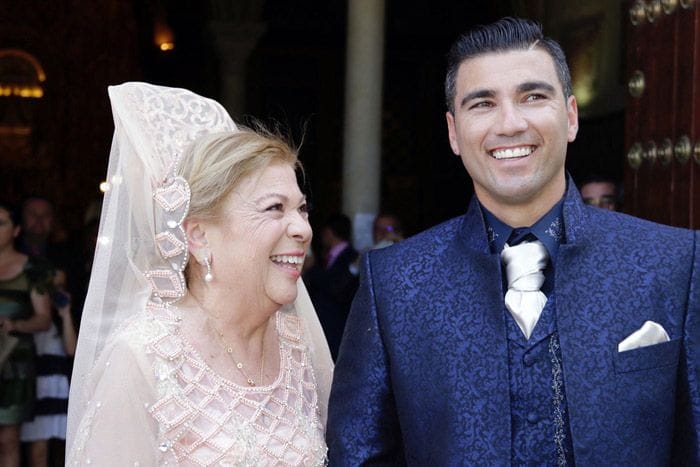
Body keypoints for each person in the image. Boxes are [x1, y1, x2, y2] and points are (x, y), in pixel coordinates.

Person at [327, 17, 699, 465]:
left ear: (572, 116)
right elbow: (360, 456)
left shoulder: (673, 262)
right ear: (453, 133)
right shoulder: (393, 283)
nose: (509, 123)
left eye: (533, 96)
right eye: (482, 104)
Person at [65, 83, 332, 465]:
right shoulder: (144, 358)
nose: (303, 229)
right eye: (275, 208)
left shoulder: (298, 346)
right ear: (200, 236)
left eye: (302, 209)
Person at [0, 202, 52, 467]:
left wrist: (15, 325)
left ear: (17, 230)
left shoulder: (33, 269)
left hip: (14, 364)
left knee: (9, 439)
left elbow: (44, 319)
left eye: (1, 224)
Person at [305, 214, 358, 360]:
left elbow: (335, 288)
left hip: (339, 331)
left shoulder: (354, 258)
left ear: (328, 232)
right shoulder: (325, 257)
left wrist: (312, 268)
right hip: (322, 330)